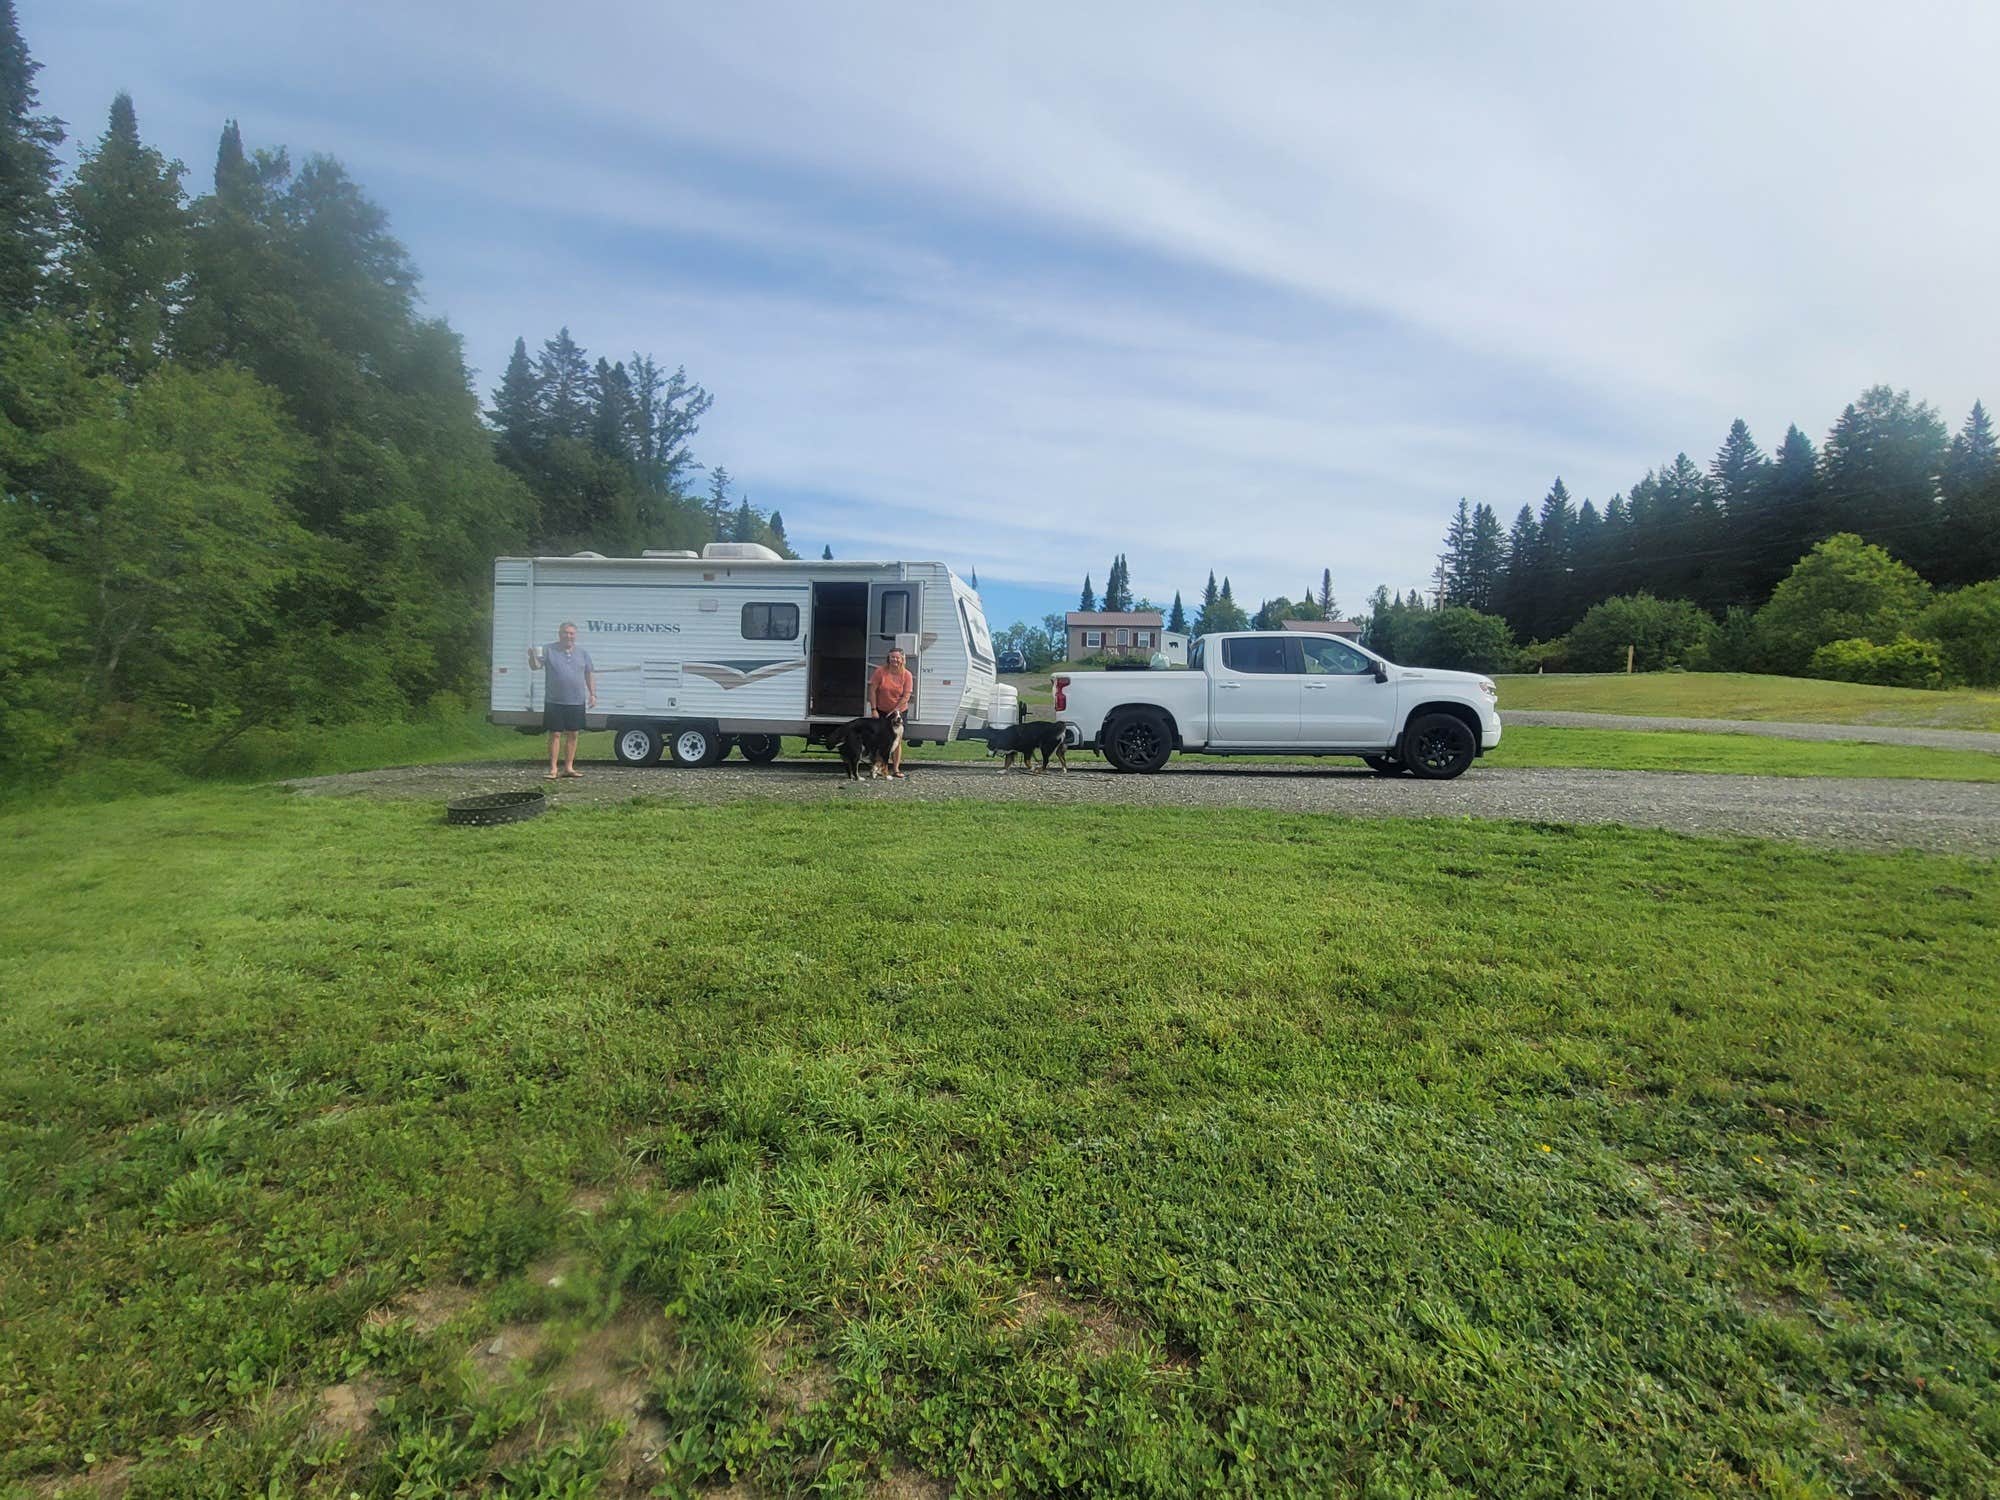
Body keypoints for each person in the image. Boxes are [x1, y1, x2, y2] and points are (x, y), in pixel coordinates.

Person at [528, 622, 596, 779]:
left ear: (575, 635)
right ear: (559, 634)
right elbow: (535, 666)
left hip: (576, 700)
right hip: (555, 700)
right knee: (555, 734)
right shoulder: (549, 650)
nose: (568, 636)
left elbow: (589, 673)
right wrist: (531, 656)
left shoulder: (583, 653)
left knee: (573, 734)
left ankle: (569, 768)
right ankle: (553, 769)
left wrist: (593, 694)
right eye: (565, 633)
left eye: (571, 633)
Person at [867, 646, 914, 779]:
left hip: (899, 711)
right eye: (892, 657)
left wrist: (896, 710)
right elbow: (872, 691)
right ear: (888, 658)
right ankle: (877, 767)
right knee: (880, 740)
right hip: (882, 711)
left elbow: (906, 696)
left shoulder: (907, 675)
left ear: (902, 659)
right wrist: (874, 709)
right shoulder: (880, 671)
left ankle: (896, 769)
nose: (895, 660)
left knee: (897, 741)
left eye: (897, 657)